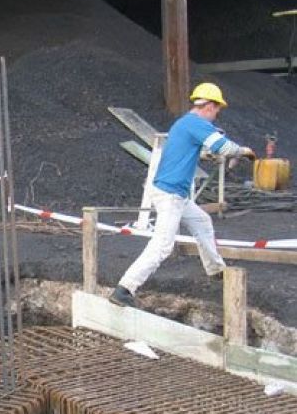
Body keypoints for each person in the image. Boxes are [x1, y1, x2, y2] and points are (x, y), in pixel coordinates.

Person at [110, 82, 256, 308]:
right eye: (217, 109)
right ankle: (124, 288)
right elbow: (225, 148)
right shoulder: (196, 124)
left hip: (174, 192)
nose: (217, 115)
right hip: (171, 194)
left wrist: (209, 155)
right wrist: (244, 151)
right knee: (162, 246)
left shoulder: (183, 124)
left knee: (203, 221)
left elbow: (195, 151)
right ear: (209, 105)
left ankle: (216, 269)